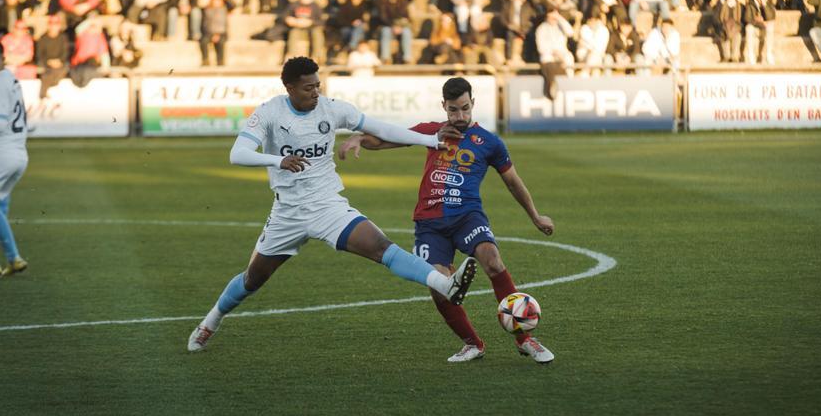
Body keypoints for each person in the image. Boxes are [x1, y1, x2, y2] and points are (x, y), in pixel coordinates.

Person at [187, 57, 478, 352]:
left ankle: (446, 285)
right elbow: (238, 154)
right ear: (289, 87)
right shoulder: (270, 113)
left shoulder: (333, 108)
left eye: (318, 86)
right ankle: (210, 321)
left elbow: (382, 128)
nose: (315, 92)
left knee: (381, 247)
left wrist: (428, 140)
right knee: (253, 278)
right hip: (287, 212)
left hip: (327, 205)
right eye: (308, 88)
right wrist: (279, 160)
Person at [337, 77, 556, 364]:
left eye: (465, 109)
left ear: (473, 103)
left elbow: (513, 182)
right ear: (444, 106)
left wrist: (535, 216)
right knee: (438, 284)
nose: (460, 117)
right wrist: (360, 139)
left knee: (492, 260)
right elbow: (387, 139)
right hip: (429, 223)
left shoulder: (489, 142)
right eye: (453, 110)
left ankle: (525, 339)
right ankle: (472, 343)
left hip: (467, 216)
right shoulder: (432, 132)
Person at [0, 43, 29, 278]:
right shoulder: (10, 78)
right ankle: (10, 260)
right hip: (19, 153)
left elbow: (0, 123)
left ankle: (14, 256)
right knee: (1, 205)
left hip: (4, 152)